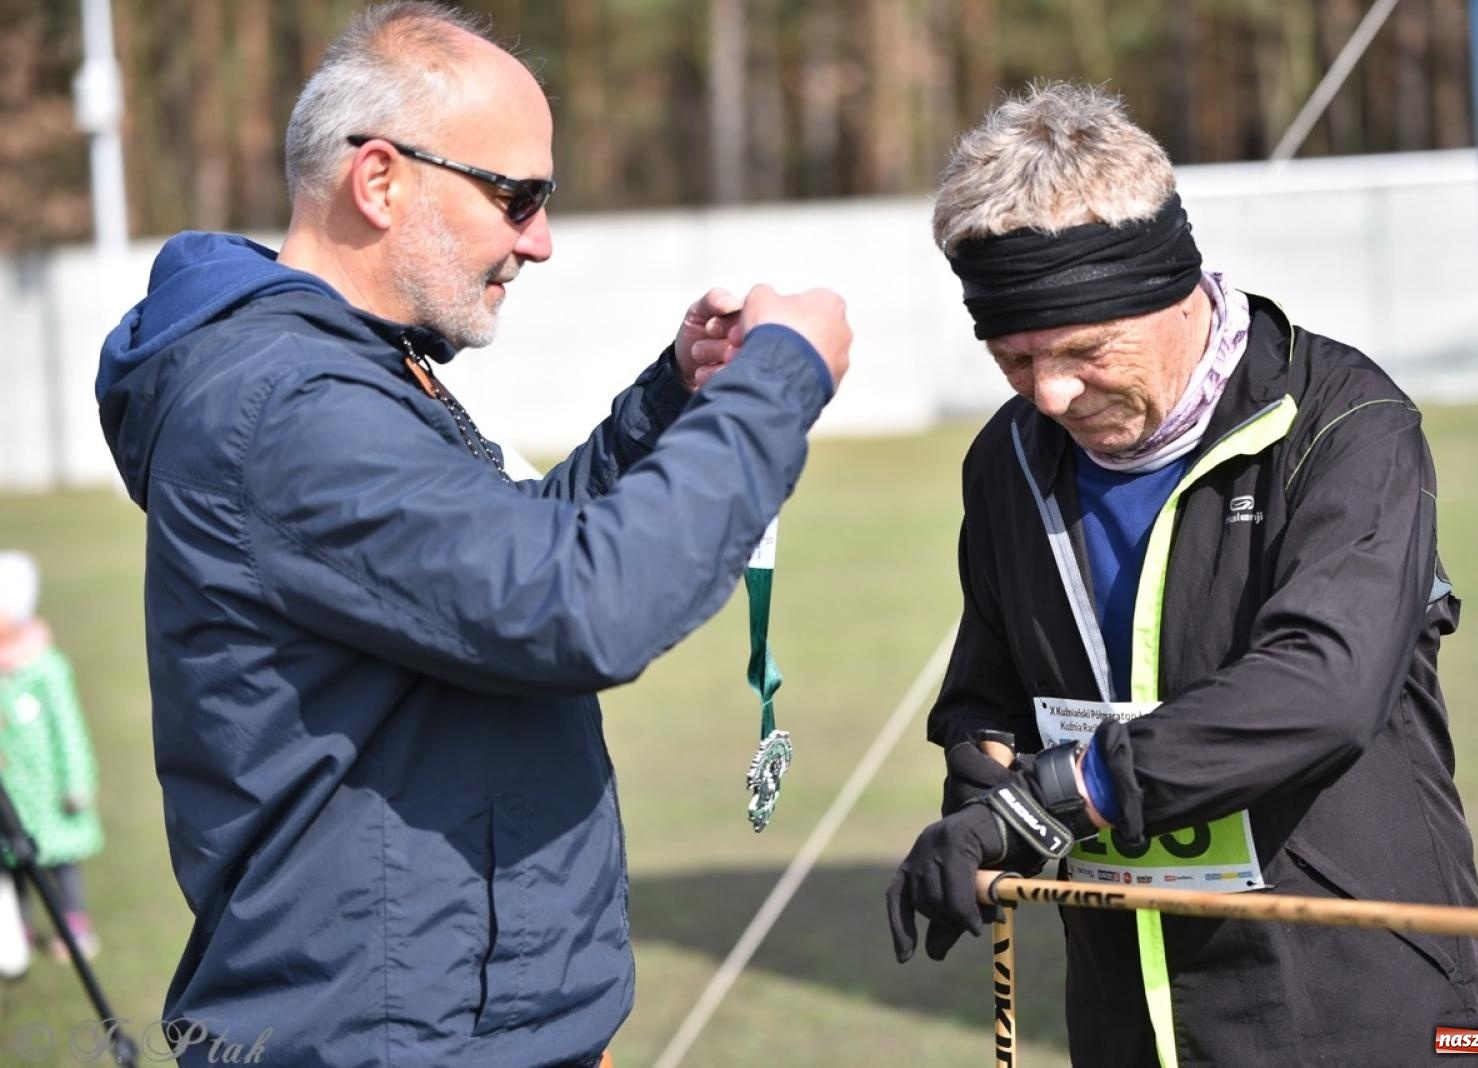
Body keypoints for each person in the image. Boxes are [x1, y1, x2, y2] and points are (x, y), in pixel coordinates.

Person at [95, 4, 849, 1066]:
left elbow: (502, 562)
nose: (538, 239)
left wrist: (674, 401)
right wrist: (781, 376)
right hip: (395, 1040)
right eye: (517, 196)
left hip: (461, 1024)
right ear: (380, 181)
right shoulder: (289, 405)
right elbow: (578, 607)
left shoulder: (344, 371)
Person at [885, 83, 1478, 1066]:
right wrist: (977, 806)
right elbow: (988, 698)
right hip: (1127, 1020)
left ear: (1175, 287)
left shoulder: (1345, 424)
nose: (1050, 392)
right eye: (1012, 358)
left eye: (1082, 350)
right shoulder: (1008, 458)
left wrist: (1063, 794)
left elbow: (1320, 690)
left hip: (1354, 1007)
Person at [0, 551, 106, 966]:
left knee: (59, 865)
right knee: (13, 866)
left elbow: (68, 729)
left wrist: (77, 781)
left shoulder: (45, 667)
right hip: (11, 797)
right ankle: (17, 928)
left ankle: (73, 924)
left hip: (49, 797)